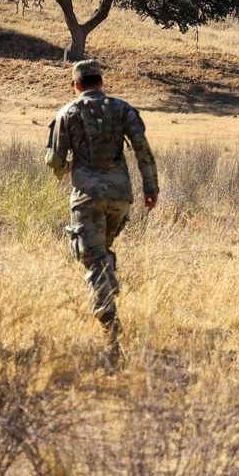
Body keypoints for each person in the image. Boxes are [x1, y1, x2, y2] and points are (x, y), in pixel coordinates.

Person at [45, 59, 159, 362]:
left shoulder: (67, 113)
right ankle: (109, 283)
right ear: (101, 81)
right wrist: (151, 189)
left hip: (87, 195)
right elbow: (142, 149)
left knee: (91, 256)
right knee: (102, 249)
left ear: (76, 84)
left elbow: (54, 161)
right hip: (121, 196)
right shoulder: (122, 108)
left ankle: (109, 325)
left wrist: (67, 169)